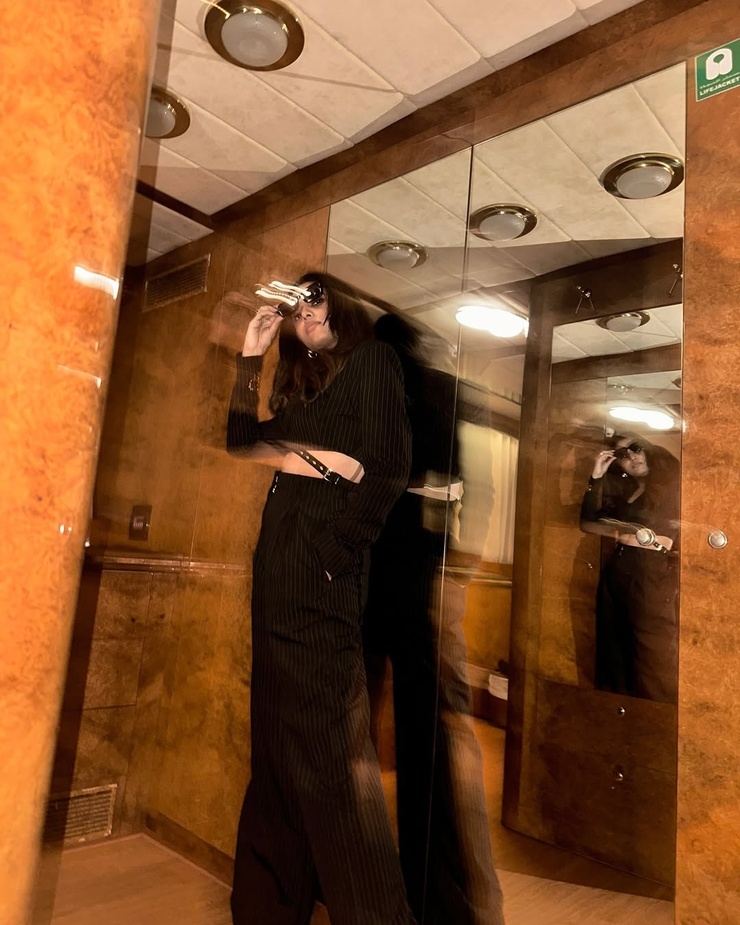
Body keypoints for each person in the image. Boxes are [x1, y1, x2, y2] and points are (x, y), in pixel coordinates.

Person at [226, 271, 415, 925]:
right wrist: (251, 357)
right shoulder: (303, 385)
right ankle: (269, 908)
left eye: (316, 301)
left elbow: (389, 467)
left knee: (331, 756)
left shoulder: (373, 361)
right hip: (276, 568)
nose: (304, 314)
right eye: (297, 307)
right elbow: (241, 440)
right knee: (275, 747)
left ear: (342, 308)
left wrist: (335, 551)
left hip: (320, 570)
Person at [363, 312, 505, 925]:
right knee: (432, 730)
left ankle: (383, 876)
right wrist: (457, 569)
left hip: (383, 563)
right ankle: (440, 891)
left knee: (381, 723)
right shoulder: (441, 391)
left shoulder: (392, 391)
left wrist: (456, 569)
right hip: (419, 563)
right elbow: (475, 490)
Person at [580, 435, 680, 703]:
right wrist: (596, 476)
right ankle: (622, 716)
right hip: (618, 568)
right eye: (623, 455)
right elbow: (587, 523)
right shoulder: (628, 494)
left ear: (649, 449)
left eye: (636, 448)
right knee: (614, 648)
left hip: (651, 569)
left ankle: (658, 715)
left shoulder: (674, 485)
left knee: (652, 652)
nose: (632, 457)